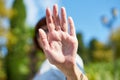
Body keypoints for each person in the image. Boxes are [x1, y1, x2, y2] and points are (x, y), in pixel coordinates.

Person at [33, 4, 88, 80]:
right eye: (41, 31)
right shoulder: (42, 66)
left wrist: (70, 70)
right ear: (37, 40)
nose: (45, 34)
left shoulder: (68, 57)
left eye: (49, 29)